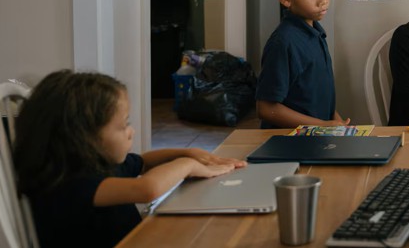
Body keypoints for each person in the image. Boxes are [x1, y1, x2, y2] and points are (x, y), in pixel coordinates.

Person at [13, 70, 246, 247]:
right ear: (82, 136)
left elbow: (144, 162)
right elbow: (146, 188)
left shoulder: (100, 165)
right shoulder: (70, 185)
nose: (130, 132)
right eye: (124, 125)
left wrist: (187, 152)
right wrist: (187, 165)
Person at [256, 0, 349, 128]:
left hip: (317, 137)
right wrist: (321, 125)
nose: (323, 0)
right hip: (288, 144)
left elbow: (316, 98)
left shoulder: (316, 33)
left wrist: (334, 121)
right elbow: (266, 108)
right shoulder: (283, 43)